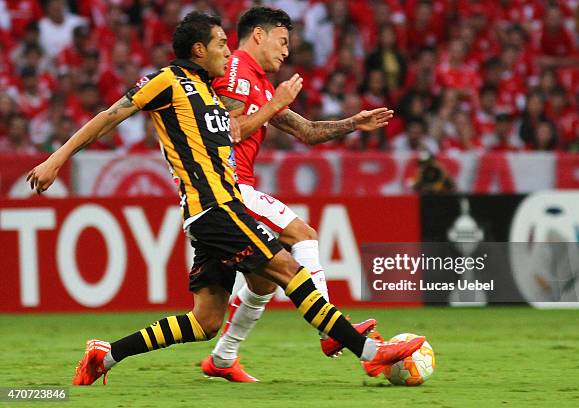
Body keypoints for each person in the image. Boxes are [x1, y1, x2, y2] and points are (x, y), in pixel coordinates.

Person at [26, 11, 424, 386]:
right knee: (288, 268)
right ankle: (369, 351)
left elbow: (297, 129)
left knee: (206, 321)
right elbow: (110, 115)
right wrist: (55, 159)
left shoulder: (207, 91)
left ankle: (107, 354)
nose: (228, 52)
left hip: (213, 211)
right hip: (216, 207)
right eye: (220, 44)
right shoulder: (167, 81)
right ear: (199, 50)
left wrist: (351, 122)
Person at [201, 7, 394, 382]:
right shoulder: (237, 71)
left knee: (261, 281)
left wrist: (354, 122)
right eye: (282, 41)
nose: (286, 52)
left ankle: (222, 360)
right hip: (228, 187)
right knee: (302, 235)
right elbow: (229, 131)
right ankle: (329, 330)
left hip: (234, 187)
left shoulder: (258, 81)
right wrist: (273, 105)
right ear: (258, 35)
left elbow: (306, 131)